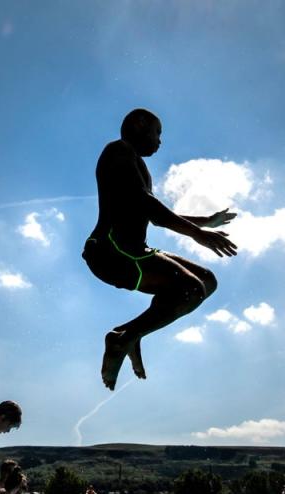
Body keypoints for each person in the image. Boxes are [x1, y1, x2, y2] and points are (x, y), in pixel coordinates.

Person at [83, 108, 238, 390]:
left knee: (207, 281)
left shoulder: (135, 163)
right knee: (190, 289)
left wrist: (205, 222)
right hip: (111, 250)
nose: (160, 141)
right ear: (139, 124)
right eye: (158, 132)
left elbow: (152, 213)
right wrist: (197, 234)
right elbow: (146, 204)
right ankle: (123, 338)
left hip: (132, 251)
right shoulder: (118, 151)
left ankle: (132, 335)